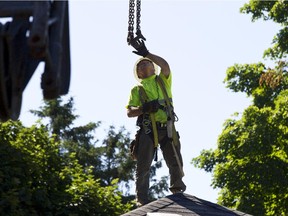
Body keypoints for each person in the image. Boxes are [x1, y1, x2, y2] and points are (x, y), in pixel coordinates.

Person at [126, 39, 186, 206]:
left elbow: (165, 65)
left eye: (147, 63)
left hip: (166, 127)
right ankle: (142, 199)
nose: (145, 65)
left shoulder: (163, 81)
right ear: (138, 74)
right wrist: (144, 108)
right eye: (141, 65)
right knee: (143, 166)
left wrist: (146, 53)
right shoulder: (137, 90)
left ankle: (177, 190)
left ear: (154, 68)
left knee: (175, 160)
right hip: (147, 130)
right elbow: (130, 112)